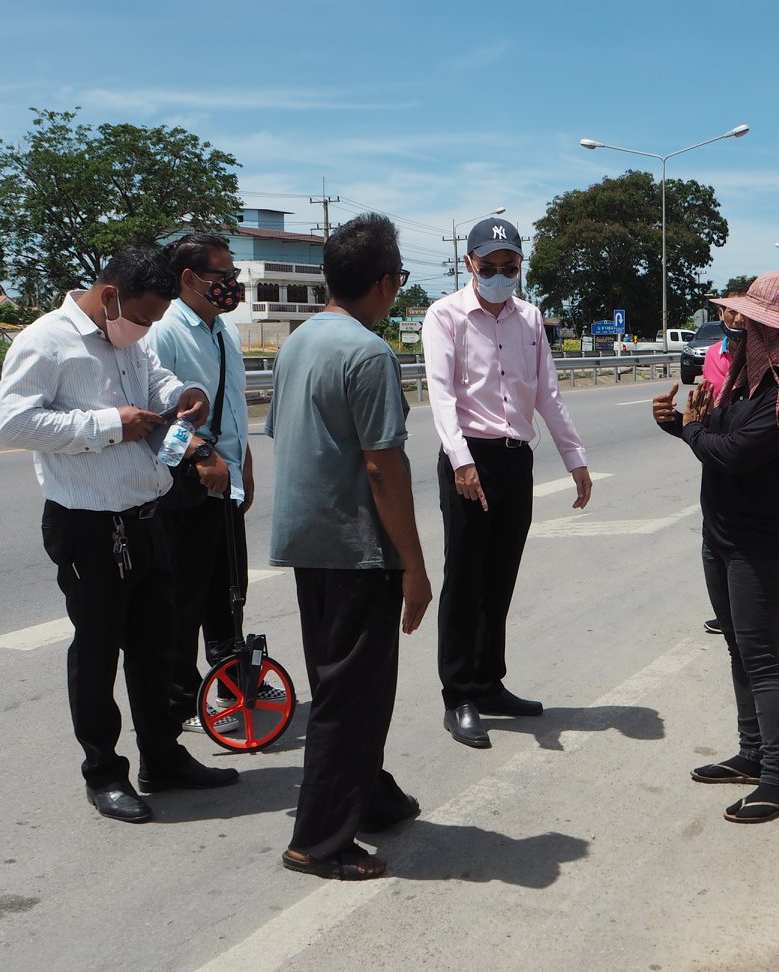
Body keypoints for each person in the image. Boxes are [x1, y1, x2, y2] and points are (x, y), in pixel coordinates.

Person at [0, 246, 238, 824]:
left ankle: (163, 757)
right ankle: (103, 773)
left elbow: (156, 383)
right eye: (144, 316)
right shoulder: (46, 341)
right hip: (87, 523)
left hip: (145, 514)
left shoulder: (129, 340)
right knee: (98, 651)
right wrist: (110, 424)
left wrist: (183, 396)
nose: (147, 328)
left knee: (156, 647)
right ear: (110, 297)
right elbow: (13, 422)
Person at [265, 212, 430, 880]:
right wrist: (415, 566)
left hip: (308, 539)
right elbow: (382, 467)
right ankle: (319, 840)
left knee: (343, 684)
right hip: (355, 544)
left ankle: (371, 797)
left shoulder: (300, 341)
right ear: (386, 282)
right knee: (352, 696)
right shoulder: (369, 354)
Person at [651, 271, 779, 825]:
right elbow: (715, 436)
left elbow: (731, 453)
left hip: (760, 543)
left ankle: (776, 779)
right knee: (736, 647)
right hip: (721, 533)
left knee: (761, 659)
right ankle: (751, 753)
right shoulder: (746, 382)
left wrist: (691, 430)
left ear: (775, 332)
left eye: (751, 322)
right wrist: (679, 424)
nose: (739, 328)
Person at [422, 217, 592, 749]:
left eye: (509, 267)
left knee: (500, 577)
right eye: (489, 266)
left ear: (520, 265)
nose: (499, 275)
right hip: (469, 458)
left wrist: (574, 457)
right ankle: (458, 694)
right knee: (464, 578)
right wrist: (461, 460)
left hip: (516, 460)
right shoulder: (444, 315)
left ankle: (488, 682)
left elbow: (547, 394)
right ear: (469, 263)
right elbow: (441, 395)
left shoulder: (530, 318)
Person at [146, 234, 253, 736]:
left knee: (228, 590)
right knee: (183, 595)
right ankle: (181, 698)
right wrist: (201, 454)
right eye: (222, 275)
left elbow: (233, 406)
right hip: (185, 479)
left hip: (226, 477)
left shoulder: (223, 331)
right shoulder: (165, 331)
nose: (232, 284)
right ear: (189, 278)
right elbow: (155, 416)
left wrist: (244, 463)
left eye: (234, 274)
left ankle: (233, 683)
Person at [700, 292, 743, 637]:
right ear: (721, 315)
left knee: (740, 537)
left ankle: (745, 617)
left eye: (744, 313)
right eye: (731, 312)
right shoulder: (713, 354)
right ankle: (727, 617)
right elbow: (708, 399)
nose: (738, 319)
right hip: (715, 448)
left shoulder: (762, 356)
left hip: (746, 448)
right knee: (712, 534)